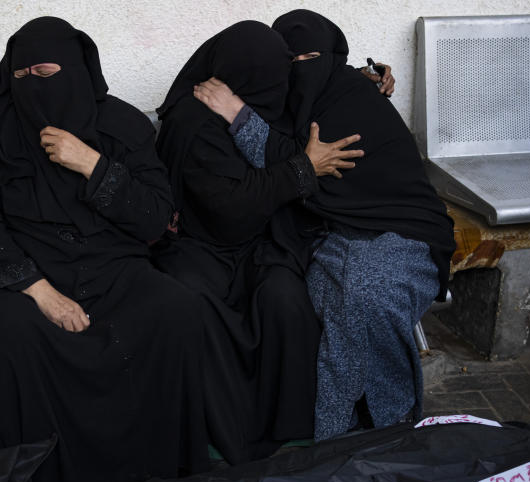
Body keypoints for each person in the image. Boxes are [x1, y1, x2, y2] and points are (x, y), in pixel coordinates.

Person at [0, 17, 208, 482]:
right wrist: (38, 290)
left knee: (176, 312)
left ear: (75, 70)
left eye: (46, 73)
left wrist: (93, 165)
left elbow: (156, 220)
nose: (33, 86)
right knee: (12, 336)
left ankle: (159, 480)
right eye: (21, 76)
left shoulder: (122, 125)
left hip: (116, 269)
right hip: (31, 275)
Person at [194, 10, 456, 440]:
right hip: (336, 231)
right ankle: (344, 424)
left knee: (365, 297)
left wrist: (238, 114)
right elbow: (298, 154)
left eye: (311, 57)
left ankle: (389, 423)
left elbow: (293, 162)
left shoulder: (350, 96)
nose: (300, 69)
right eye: (290, 60)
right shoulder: (303, 94)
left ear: (330, 56)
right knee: (329, 299)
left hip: (402, 230)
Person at [152, 20, 364, 464]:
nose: (280, 83)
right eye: (269, 72)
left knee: (284, 300)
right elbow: (230, 206)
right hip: (199, 243)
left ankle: (293, 434)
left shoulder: (256, 106)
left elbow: (319, 99)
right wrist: (302, 171)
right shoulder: (192, 122)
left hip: (257, 243)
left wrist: (372, 79)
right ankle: (217, 439)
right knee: (200, 310)